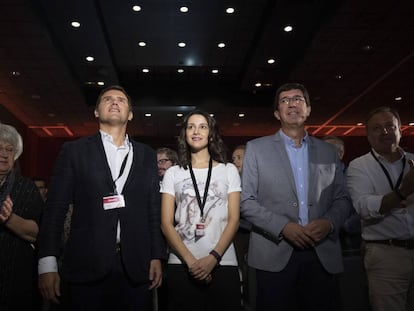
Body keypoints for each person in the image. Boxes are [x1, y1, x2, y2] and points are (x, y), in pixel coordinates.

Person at [37, 85, 167, 311]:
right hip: (86, 265)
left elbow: (152, 209)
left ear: (130, 114)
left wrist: (156, 255)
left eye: (121, 100)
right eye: (107, 99)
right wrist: (47, 263)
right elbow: (55, 209)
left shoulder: (146, 155)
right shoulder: (74, 151)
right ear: (96, 112)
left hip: (135, 267)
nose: (114, 102)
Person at [240, 82, 351, 311]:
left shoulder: (328, 151)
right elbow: (246, 201)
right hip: (274, 252)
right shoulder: (256, 149)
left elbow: (342, 199)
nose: (292, 103)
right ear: (276, 113)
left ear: (308, 109)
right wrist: (283, 227)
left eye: (298, 99)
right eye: (285, 100)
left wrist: (329, 223)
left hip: (321, 252)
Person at [160, 109, 242, 311]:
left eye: (202, 126)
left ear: (211, 133)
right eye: (191, 127)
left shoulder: (228, 170)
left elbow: (234, 220)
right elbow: (166, 223)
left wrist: (212, 258)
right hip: (181, 262)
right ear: (185, 134)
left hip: (223, 261)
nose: (196, 131)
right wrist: (191, 262)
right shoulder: (173, 173)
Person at [347, 106, 414, 311]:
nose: (385, 132)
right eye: (377, 128)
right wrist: (404, 191)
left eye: (389, 126)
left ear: (400, 130)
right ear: (368, 135)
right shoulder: (359, 166)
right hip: (387, 254)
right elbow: (365, 208)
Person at [0, 123, 44, 311]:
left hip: (16, 279)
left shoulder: (26, 188)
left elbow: (38, 233)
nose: (4, 154)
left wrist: (8, 218)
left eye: (10, 150)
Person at [322, 135, 362, 253]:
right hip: (323, 245)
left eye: (327, 150)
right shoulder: (311, 180)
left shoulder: (355, 176)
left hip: (350, 244)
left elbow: (364, 209)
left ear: (340, 153)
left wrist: (341, 225)